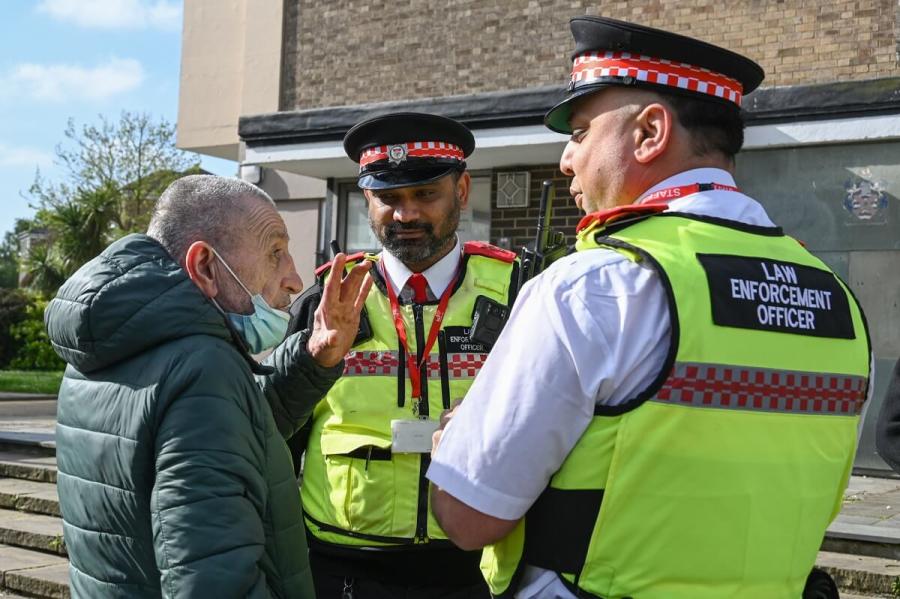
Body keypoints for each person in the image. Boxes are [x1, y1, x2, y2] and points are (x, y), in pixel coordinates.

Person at [426, 16, 872, 599]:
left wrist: (452, 444)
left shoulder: (594, 285)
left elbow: (467, 516)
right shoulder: (836, 301)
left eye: (582, 131)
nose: (566, 159)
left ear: (650, 132)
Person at [46, 175, 372, 598]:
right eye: (275, 252)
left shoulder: (110, 350)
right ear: (205, 266)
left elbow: (228, 434)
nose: (294, 279)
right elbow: (215, 581)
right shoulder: (203, 366)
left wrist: (314, 358)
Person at [288, 112, 518, 598]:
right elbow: (277, 436)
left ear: (461, 191)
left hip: (476, 573)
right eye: (388, 198)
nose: (405, 214)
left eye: (425, 195)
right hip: (341, 572)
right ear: (367, 198)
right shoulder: (326, 299)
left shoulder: (517, 293)